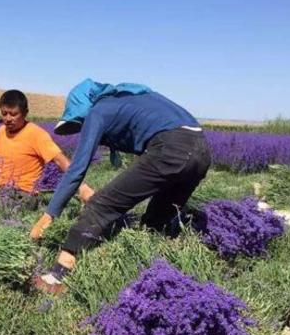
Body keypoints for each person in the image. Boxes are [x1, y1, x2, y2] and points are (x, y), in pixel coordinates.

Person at [32, 79, 212, 294]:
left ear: (83, 107)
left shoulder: (98, 111)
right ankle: (155, 277)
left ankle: (57, 276)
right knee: (155, 222)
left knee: (101, 205)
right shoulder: (132, 98)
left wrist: (50, 214)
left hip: (171, 148)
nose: (83, 126)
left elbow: (77, 168)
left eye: (80, 122)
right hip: (202, 152)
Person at [0, 89, 93, 197]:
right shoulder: (2, 131)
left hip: (23, 193)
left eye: (13, 114)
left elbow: (60, 160)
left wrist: (82, 186)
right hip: (1, 190)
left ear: (25, 113)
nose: (7, 119)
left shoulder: (37, 134)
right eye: (4, 113)